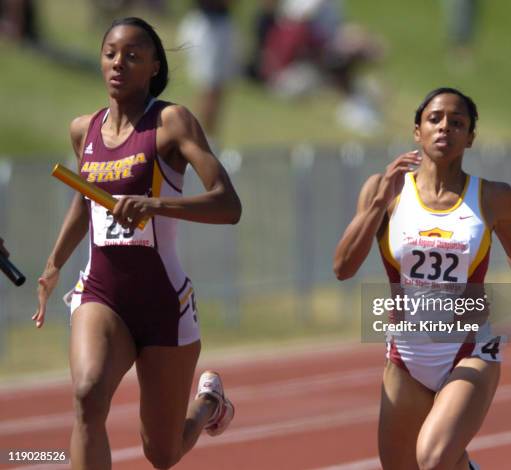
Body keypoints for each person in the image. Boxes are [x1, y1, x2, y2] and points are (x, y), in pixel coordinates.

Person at [32, 17, 241, 470]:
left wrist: (155, 206)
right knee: (88, 395)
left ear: (154, 66)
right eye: (110, 53)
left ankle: (208, 403)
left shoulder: (170, 122)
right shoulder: (83, 129)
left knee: (162, 453)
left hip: (164, 302)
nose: (118, 63)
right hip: (102, 293)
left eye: (133, 55)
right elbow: (86, 202)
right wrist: (52, 267)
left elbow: (228, 205)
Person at [334, 87, 511, 470]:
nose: (445, 128)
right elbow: (343, 268)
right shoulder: (384, 192)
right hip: (406, 356)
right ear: (417, 131)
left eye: (458, 123)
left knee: (434, 457)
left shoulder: (493, 197)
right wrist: (378, 204)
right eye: (435, 119)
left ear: (471, 137)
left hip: (469, 350)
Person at [262, 0, 385, 136]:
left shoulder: (331, 7)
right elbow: (295, 43)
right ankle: (353, 108)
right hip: (289, 77)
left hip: (312, 69)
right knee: (341, 59)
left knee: (348, 57)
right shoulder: (304, 9)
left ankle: (358, 104)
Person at [177, 0, 238, 140]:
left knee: (218, 92)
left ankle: (209, 141)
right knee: (207, 90)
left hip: (223, 23)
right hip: (206, 26)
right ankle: (196, 143)